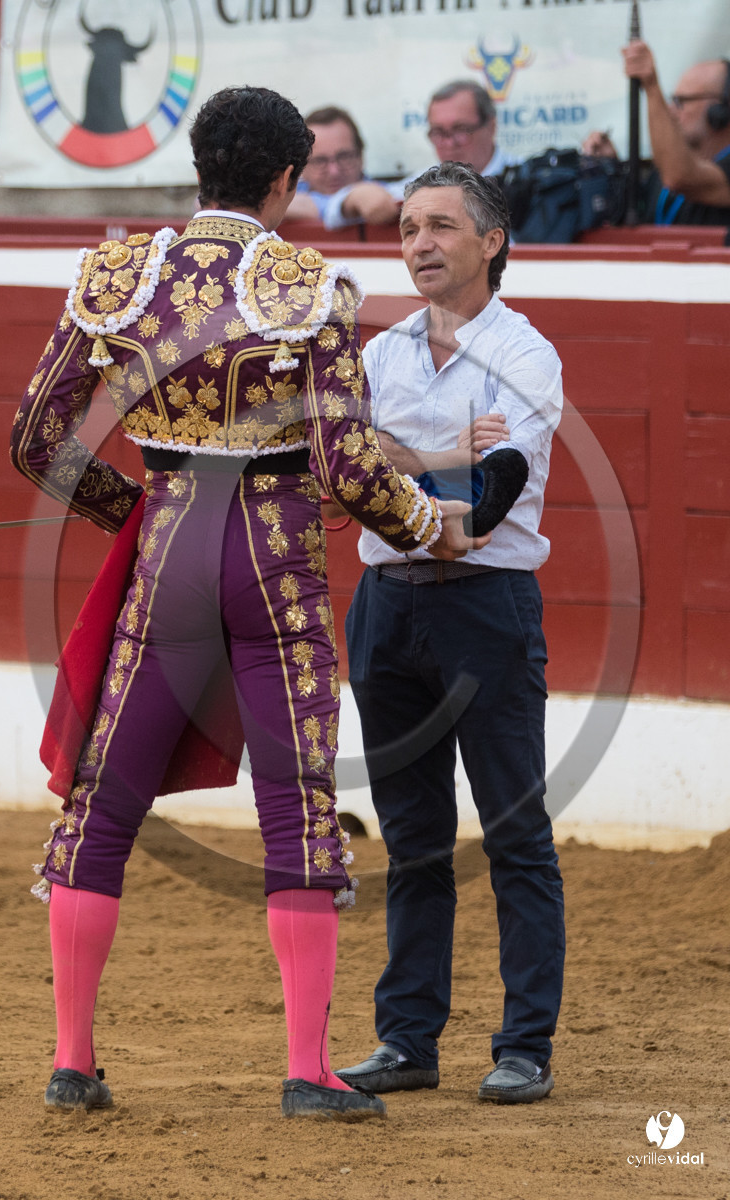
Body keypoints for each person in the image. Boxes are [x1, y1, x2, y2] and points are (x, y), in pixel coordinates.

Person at [9, 86, 483, 1124]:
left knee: (103, 806)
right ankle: (308, 1069)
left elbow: (36, 440)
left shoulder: (117, 277)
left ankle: (72, 1061)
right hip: (272, 554)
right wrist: (428, 526)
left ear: (198, 168)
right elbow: (346, 467)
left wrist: (132, 511)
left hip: (168, 546)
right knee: (295, 805)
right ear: (282, 179)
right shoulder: (308, 288)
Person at [335, 162, 566, 1105]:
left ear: (491, 240)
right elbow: (346, 468)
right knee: (413, 835)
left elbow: (498, 483)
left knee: (514, 830)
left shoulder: (525, 352)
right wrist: (432, 472)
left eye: (438, 226)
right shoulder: (382, 353)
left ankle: (526, 1045)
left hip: (484, 605)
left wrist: (403, 472)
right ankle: (408, 1040)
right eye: (406, 228)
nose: (418, 244)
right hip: (386, 606)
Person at [330, 80, 515, 230]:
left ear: (491, 126)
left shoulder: (526, 178)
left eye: (460, 130)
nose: (448, 143)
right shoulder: (428, 180)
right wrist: (356, 197)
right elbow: (333, 210)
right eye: (438, 133)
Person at [584, 43, 730, 226]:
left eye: (681, 101)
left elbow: (680, 177)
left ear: (720, 110)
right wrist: (611, 165)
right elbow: (641, 213)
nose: (671, 111)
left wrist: (651, 85)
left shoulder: (676, 170)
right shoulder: (663, 170)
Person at [285, 105, 402, 229]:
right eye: (320, 161)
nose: (334, 171)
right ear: (302, 165)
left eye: (344, 157)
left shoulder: (388, 196)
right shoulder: (287, 191)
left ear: (360, 156)